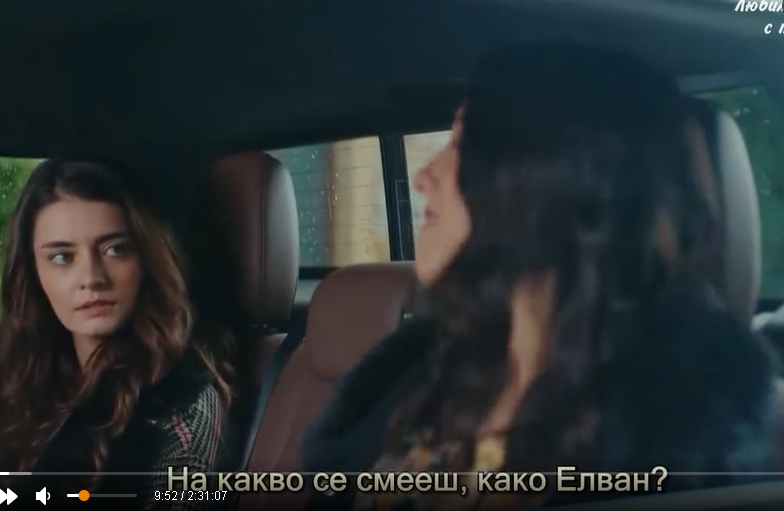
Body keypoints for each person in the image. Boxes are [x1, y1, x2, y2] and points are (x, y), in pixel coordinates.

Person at [302, 44, 784, 509]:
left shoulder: (675, 435)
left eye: (463, 145)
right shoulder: (423, 371)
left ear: (559, 177)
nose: (425, 175)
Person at [0, 159, 234, 509]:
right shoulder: (33, 380)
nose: (91, 278)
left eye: (115, 249)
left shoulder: (184, 402)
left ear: (146, 258)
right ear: (33, 273)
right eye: (62, 257)